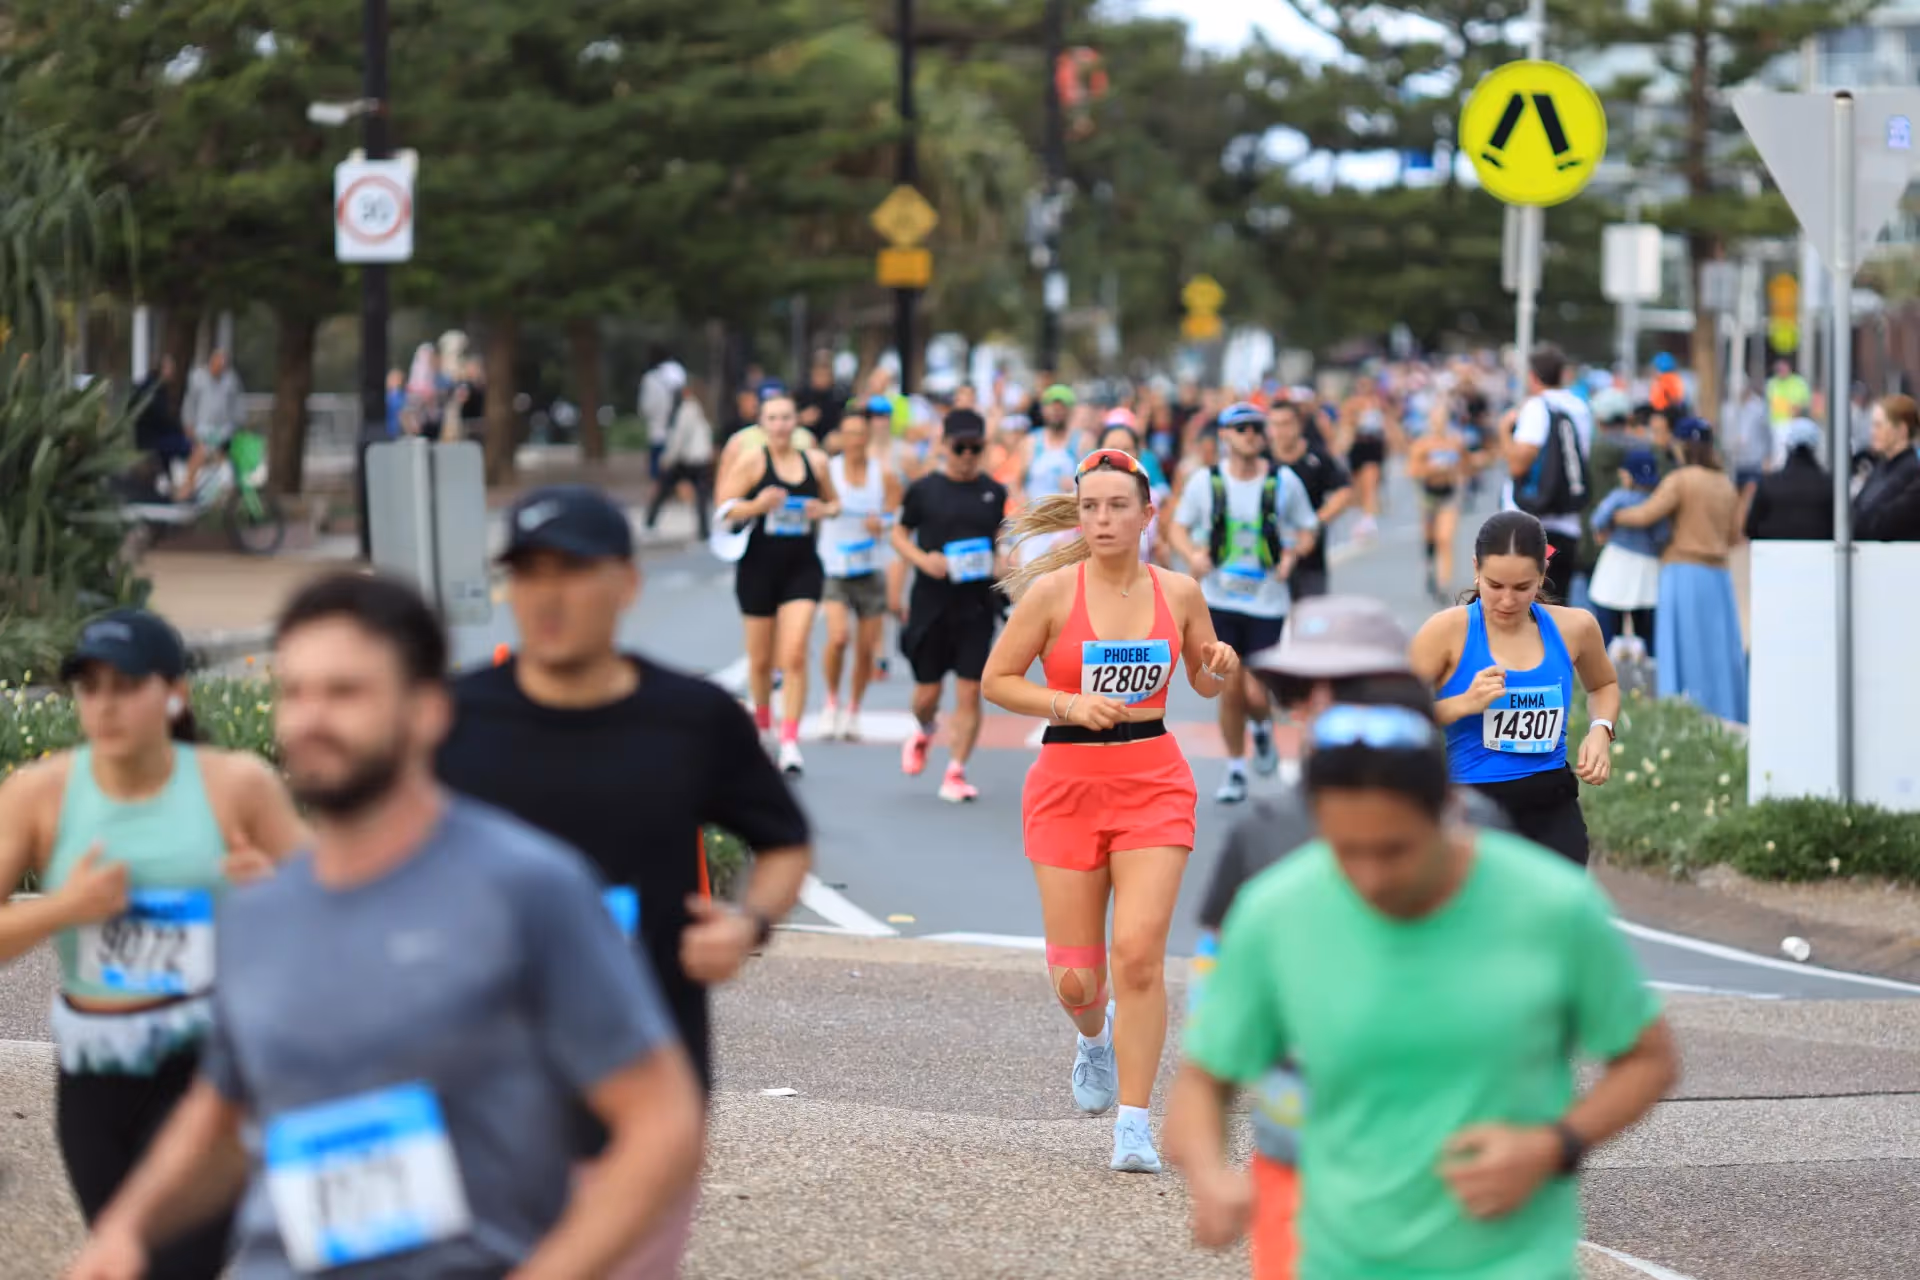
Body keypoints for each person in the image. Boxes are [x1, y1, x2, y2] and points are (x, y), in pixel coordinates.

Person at [67, 575, 707, 1280]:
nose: (311, 719)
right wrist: (126, 1229)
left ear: (428, 712)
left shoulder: (528, 889)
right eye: (297, 692)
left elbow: (663, 1124)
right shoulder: (258, 914)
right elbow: (221, 1117)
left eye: (346, 694)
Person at [1166, 700, 1678, 1278]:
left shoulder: (1553, 905)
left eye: (1395, 850)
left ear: (1452, 808)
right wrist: (1211, 1176)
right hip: (1337, 1260)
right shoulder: (1275, 911)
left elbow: (1648, 1057)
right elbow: (1204, 1079)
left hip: (1511, 1261)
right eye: (1345, 850)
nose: (1370, 877)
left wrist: (1554, 1145)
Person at [438, 487, 811, 1278]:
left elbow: (785, 843)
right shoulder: (454, 720)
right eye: (529, 572)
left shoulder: (691, 718)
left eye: (572, 569)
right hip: (479, 1093)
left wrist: (747, 927)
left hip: (643, 1098)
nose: (548, 592)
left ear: (627, 585)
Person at [1187, 598, 1515, 1280]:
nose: (1301, 710)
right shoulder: (1265, 830)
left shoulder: (1476, 830)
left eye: (1321, 690)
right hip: (1298, 1162)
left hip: (1444, 1167)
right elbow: (1211, 1014)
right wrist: (1209, 1164)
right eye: (1294, 692)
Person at [0, 610, 304, 1280]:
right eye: (90, 687)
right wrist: (66, 908)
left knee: (179, 1265)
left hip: (207, 1070)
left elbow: (343, 907)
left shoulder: (237, 785)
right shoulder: (39, 794)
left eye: (126, 686)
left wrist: (271, 893)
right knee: (129, 1258)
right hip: (95, 1076)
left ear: (175, 695)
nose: (104, 705)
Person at [982, 447, 1239, 1174]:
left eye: (1117, 506)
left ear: (1147, 515)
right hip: (1065, 784)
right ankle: (1093, 1038)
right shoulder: (1053, 594)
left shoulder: (1180, 591)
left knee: (1139, 956)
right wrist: (1066, 701)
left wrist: (1218, 666)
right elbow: (997, 680)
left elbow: (1205, 675)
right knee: (1078, 981)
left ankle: (1134, 1122)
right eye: (1090, 505)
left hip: (1154, 780)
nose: (1102, 518)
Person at [1410, 511, 1620, 864]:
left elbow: (1604, 684)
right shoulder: (1446, 632)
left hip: (1552, 805)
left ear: (1542, 575)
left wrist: (1601, 731)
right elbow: (1395, 716)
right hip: (1472, 810)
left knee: (1557, 914)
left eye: (1522, 587)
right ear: (1476, 568)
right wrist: (1463, 703)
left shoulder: (1575, 627)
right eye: (1495, 585)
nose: (1507, 600)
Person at [1167, 402, 1320, 803]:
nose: (1249, 434)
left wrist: (1291, 557)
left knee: (1256, 693)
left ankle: (1263, 727)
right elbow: (1177, 527)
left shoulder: (1283, 481)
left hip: (1268, 603)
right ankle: (1235, 770)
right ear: (1224, 436)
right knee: (1229, 687)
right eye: (1240, 428)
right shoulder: (1206, 482)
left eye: (1255, 427)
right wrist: (1192, 555)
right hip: (1218, 600)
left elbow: (1308, 529)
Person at [714, 394, 841, 773]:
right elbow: (724, 507)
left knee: (795, 652)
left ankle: (790, 742)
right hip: (758, 566)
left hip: (802, 567)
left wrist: (824, 510)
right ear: (762, 423)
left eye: (787, 417)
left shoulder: (815, 462)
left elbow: (835, 503)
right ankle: (764, 730)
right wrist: (758, 505)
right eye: (773, 418)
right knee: (761, 660)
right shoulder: (752, 460)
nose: (781, 425)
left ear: (796, 422)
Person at [889, 410, 1008, 802]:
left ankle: (956, 771)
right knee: (927, 695)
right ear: (944, 446)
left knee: (971, 691)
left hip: (975, 606)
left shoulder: (994, 492)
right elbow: (899, 534)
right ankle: (924, 730)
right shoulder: (924, 490)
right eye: (960, 447)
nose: (968, 455)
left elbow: (1001, 541)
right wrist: (923, 560)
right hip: (931, 605)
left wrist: (1004, 564)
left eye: (976, 447)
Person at [1608, 417, 1748, 724]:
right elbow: (1736, 535)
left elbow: (1647, 514)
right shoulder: (1724, 483)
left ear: (1682, 446)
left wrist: (1613, 516)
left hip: (1683, 571)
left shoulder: (1680, 480)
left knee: (1682, 650)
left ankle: (1682, 715)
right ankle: (1724, 713)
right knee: (1717, 653)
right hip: (1718, 576)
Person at [819, 410, 904, 739]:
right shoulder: (829, 471)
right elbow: (818, 505)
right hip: (834, 568)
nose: (855, 440)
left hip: (870, 568)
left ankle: (853, 709)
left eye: (860, 433)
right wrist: (827, 509)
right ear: (840, 437)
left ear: (868, 437)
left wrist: (880, 523)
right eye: (849, 433)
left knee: (866, 649)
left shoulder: (882, 475)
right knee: (839, 637)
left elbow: (895, 515)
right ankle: (830, 702)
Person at [1503, 343, 1594, 602]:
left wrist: (1503, 432)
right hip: (1569, 521)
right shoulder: (1580, 408)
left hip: (1535, 523)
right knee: (1556, 604)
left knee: (1529, 607)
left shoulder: (1537, 408)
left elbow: (1518, 464)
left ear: (1532, 376)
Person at [1266, 400, 1351, 601]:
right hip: (1267, 559)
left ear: (1298, 426)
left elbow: (1343, 491)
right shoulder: (1261, 460)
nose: (1281, 431)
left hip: (1309, 555)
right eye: (1275, 425)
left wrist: (1315, 522)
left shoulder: (1317, 458)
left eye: (1286, 424)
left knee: (1310, 617)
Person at [1588, 449, 1670, 656]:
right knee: (1647, 634)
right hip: (1647, 570)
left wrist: (1611, 524)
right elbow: (1662, 535)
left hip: (1616, 564)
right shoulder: (1655, 500)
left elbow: (1597, 520)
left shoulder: (1619, 497)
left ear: (1626, 474)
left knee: (1607, 632)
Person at [1409, 405, 1471, 602]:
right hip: (1429, 496)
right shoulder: (1422, 445)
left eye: (1442, 420)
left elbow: (1465, 464)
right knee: (1432, 538)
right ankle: (1430, 566)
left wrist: (1459, 474)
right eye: (1435, 420)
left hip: (1449, 495)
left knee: (1445, 538)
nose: (1439, 424)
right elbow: (1413, 471)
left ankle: (1444, 583)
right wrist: (1433, 469)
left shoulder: (1454, 443)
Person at [645, 377, 716, 539]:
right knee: (701, 495)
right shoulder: (697, 408)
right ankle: (703, 530)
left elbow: (678, 437)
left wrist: (667, 458)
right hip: (698, 458)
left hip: (688, 459)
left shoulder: (687, 409)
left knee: (665, 489)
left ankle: (650, 522)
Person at [1745, 419, 1833, 542]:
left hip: (1775, 559)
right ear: (1816, 448)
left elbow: (1750, 528)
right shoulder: (1829, 486)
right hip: (1818, 560)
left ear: (1787, 447)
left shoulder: (1768, 484)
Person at [1853, 393, 1920, 542]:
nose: (1872, 432)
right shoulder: (1880, 468)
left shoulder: (1913, 474)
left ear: (1901, 430)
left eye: (1879, 425)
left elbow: (1883, 524)